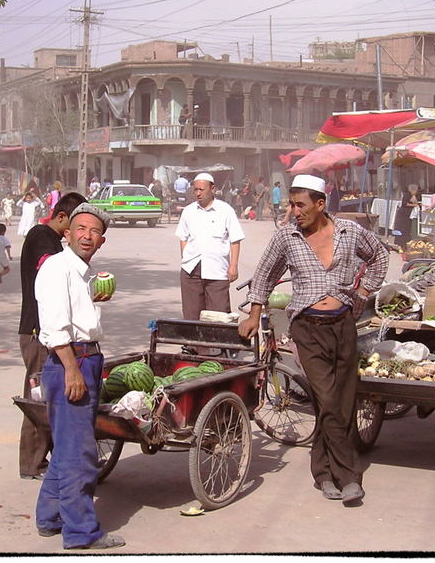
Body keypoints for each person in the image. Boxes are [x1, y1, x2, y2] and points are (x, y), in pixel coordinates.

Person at [238, 174, 388, 506]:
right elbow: (265, 273)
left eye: (300, 205)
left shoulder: (350, 233)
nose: (294, 211)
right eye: (291, 204)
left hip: (344, 324)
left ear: (320, 205)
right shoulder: (286, 237)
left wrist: (362, 294)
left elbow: (379, 256)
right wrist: (254, 312)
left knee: (342, 401)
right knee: (329, 398)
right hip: (306, 327)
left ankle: (321, 473)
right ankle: (349, 476)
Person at [34, 203, 125, 550]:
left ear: (102, 241)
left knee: (67, 447)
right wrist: (72, 369)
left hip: (83, 360)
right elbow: (54, 326)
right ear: (67, 233)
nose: (87, 236)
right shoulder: (58, 268)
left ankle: (49, 516)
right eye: (81, 229)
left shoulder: (80, 272)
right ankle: (82, 533)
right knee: (80, 454)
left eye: (95, 232)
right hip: (71, 361)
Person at [18, 192, 86, 481]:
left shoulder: (52, 240)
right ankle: (32, 464)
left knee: (52, 396)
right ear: (61, 218)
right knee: (38, 399)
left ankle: (53, 458)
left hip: (46, 331)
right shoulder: (41, 237)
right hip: (38, 332)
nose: (79, 234)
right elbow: (55, 272)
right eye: (76, 226)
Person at [176, 173, 244, 331]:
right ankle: (193, 347)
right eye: (195, 190)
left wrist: (233, 266)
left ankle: (219, 351)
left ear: (212, 189)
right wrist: (185, 257)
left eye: (201, 189)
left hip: (217, 271)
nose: (198, 193)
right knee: (191, 314)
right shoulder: (189, 211)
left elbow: (235, 239)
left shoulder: (225, 210)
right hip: (191, 270)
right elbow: (183, 237)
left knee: (219, 315)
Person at [393, 183, 420, 250]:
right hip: (403, 216)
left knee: (407, 231)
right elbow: (404, 203)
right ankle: (401, 246)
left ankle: (404, 246)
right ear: (413, 190)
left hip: (407, 215)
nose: (417, 192)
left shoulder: (413, 195)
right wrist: (414, 205)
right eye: (416, 191)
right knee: (403, 231)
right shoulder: (407, 195)